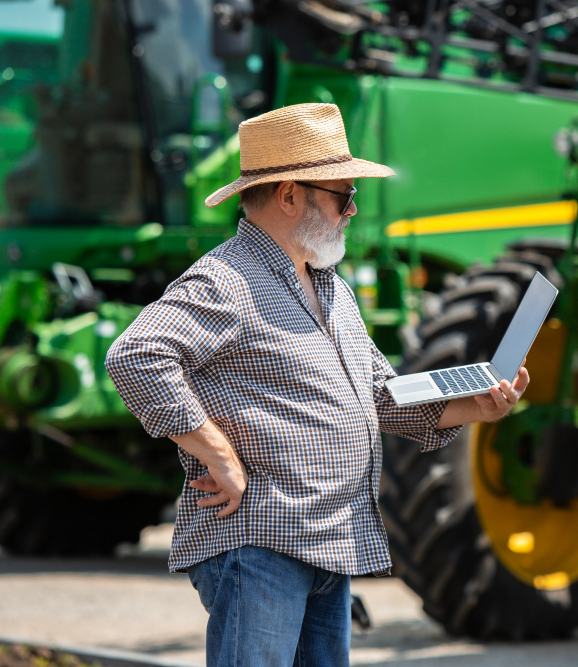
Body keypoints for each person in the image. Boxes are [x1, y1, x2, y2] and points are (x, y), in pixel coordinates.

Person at [105, 103, 529, 667]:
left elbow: (379, 397)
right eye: (343, 196)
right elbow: (135, 354)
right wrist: (217, 454)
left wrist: (472, 409)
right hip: (261, 541)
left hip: (330, 543)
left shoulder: (332, 289)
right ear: (288, 196)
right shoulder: (227, 279)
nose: (352, 211)